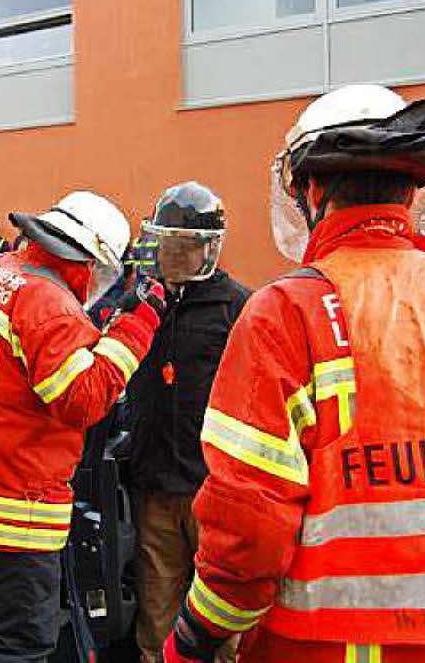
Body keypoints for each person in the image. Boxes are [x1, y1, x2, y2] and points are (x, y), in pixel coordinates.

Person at [164, 85, 425, 663]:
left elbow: (247, 531)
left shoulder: (288, 310)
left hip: (327, 643)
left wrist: (195, 635)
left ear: (312, 189)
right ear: (412, 186)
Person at [0, 191, 166, 662]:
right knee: (16, 650)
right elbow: (83, 398)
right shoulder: (47, 302)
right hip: (7, 518)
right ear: (89, 259)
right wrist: (137, 326)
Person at [123, 182, 250, 663]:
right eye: (164, 243)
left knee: (223, 624)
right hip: (154, 490)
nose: (169, 255)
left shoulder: (237, 307)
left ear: (208, 248)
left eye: (181, 245)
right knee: (156, 619)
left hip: (213, 493)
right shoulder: (143, 301)